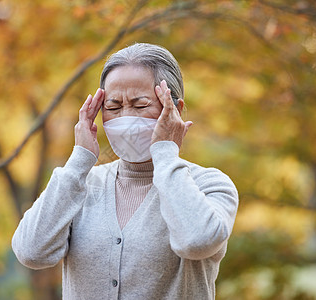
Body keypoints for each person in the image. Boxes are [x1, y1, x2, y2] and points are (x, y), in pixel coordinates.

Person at [12, 43, 239, 299]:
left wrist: (165, 153)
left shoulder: (209, 184)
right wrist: (79, 160)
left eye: (140, 105)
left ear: (174, 109)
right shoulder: (81, 184)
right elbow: (31, 252)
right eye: (113, 107)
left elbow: (197, 241)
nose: (126, 117)